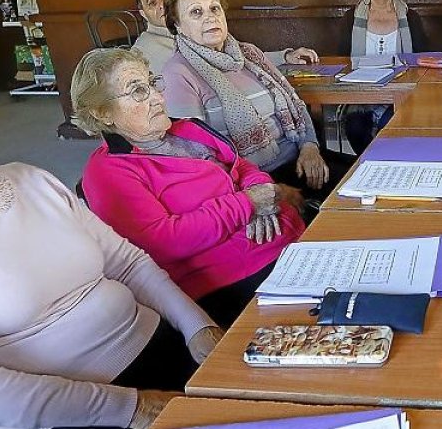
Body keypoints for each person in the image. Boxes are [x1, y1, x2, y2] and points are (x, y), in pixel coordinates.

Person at [0, 45, 221, 429]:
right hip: (72, 414)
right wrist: (131, 408)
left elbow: (127, 263)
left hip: (161, 349)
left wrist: (198, 328)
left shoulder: (29, 179)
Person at [73, 48, 307, 327]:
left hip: (289, 236)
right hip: (237, 276)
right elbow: (163, 242)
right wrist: (247, 204)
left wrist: (261, 194)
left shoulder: (186, 130)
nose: (159, 97)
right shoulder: (108, 173)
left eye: (152, 83)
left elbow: (241, 167)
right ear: (102, 112)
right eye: (138, 91)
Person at [161, 0, 345, 201]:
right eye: (196, 12)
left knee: (367, 174)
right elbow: (198, 158)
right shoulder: (178, 73)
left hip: (299, 158)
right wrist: (264, 192)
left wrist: (309, 147)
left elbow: (293, 100)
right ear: (177, 24)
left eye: (215, 8)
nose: (210, 17)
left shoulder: (249, 53)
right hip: (253, 183)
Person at [337, 0, 430, 153]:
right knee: (356, 126)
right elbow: (340, 63)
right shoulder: (350, 19)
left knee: (393, 125)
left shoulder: (410, 18)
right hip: (360, 97)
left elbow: (423, 61)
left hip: (401, 94)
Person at [131, 0, 175, 73]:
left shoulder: (193, 29)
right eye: (152, 3)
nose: (161, 5)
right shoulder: (141, 53)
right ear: (143, 14)